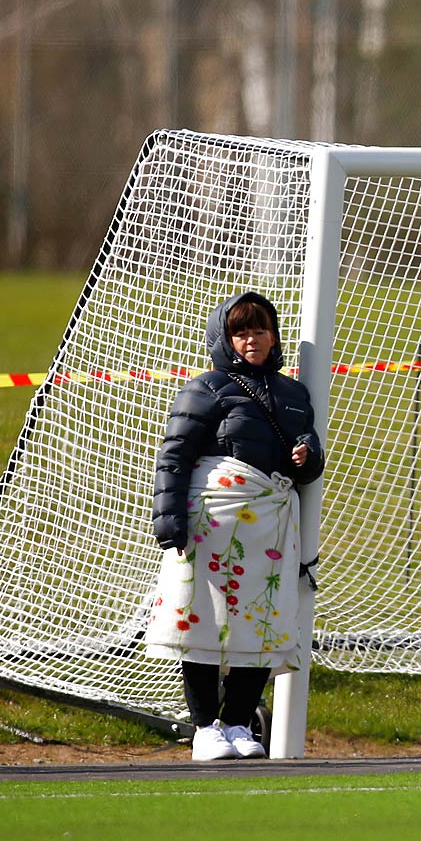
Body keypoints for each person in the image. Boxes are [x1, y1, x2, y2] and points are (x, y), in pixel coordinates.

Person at [149, 292, 324, 761]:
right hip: (211, 524)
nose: (252, 339)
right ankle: (205, 728)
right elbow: (175, 455)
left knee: (260, 623)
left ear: (273, 335)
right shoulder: (204, 388)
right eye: (241, 331)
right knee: (202, 622)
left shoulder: (293, 394)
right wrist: (169, 521)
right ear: (225, 338)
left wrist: (309, 456)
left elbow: (306, 463)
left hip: (267, 530)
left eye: (260, 329)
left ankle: (239, 724)